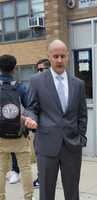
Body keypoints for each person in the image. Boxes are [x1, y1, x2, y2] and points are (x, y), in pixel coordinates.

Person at [24, 39, 88, 200]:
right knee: (46, 191)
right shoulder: (36, 81)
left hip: (72, 146)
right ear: (49, 57)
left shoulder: (78, 84)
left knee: (72, 191)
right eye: (55, 56)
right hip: (46, 145)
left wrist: (81, 138)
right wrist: (31, 119)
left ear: (67, 56)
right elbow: (31, 107)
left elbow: (82, 115)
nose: (59, 60)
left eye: (62, 56)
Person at [0, 54, 34, 200]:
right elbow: (30, 107)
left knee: (1, 170)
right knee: (25, 168)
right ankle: (28, 197)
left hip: (1, 135)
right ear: (14, 68)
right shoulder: (21, 87)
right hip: (20, 134)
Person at [32, 58, 50, 189]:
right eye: (37, 70)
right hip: (40, 130)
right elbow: (31, 106)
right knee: (40, 156)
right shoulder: (35, 85)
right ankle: (41, 177)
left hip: (56, 132)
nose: (39, 72)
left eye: (41, 69)